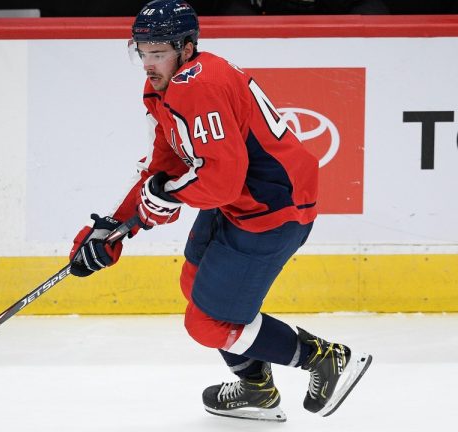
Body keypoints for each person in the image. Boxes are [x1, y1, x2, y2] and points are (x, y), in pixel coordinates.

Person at [68, 0, 372, 422]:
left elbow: (220, 181)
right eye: (142, 51)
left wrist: (167, 197)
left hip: (272, 211)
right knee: (194, 285)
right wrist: (115, 227)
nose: (148, 64)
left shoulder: (198, 85)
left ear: (186, 48)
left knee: (207, 324)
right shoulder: (164, 87)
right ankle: (256, 387)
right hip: (239, 201)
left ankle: (323, 358)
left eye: (158, 52)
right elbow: (165, 166)